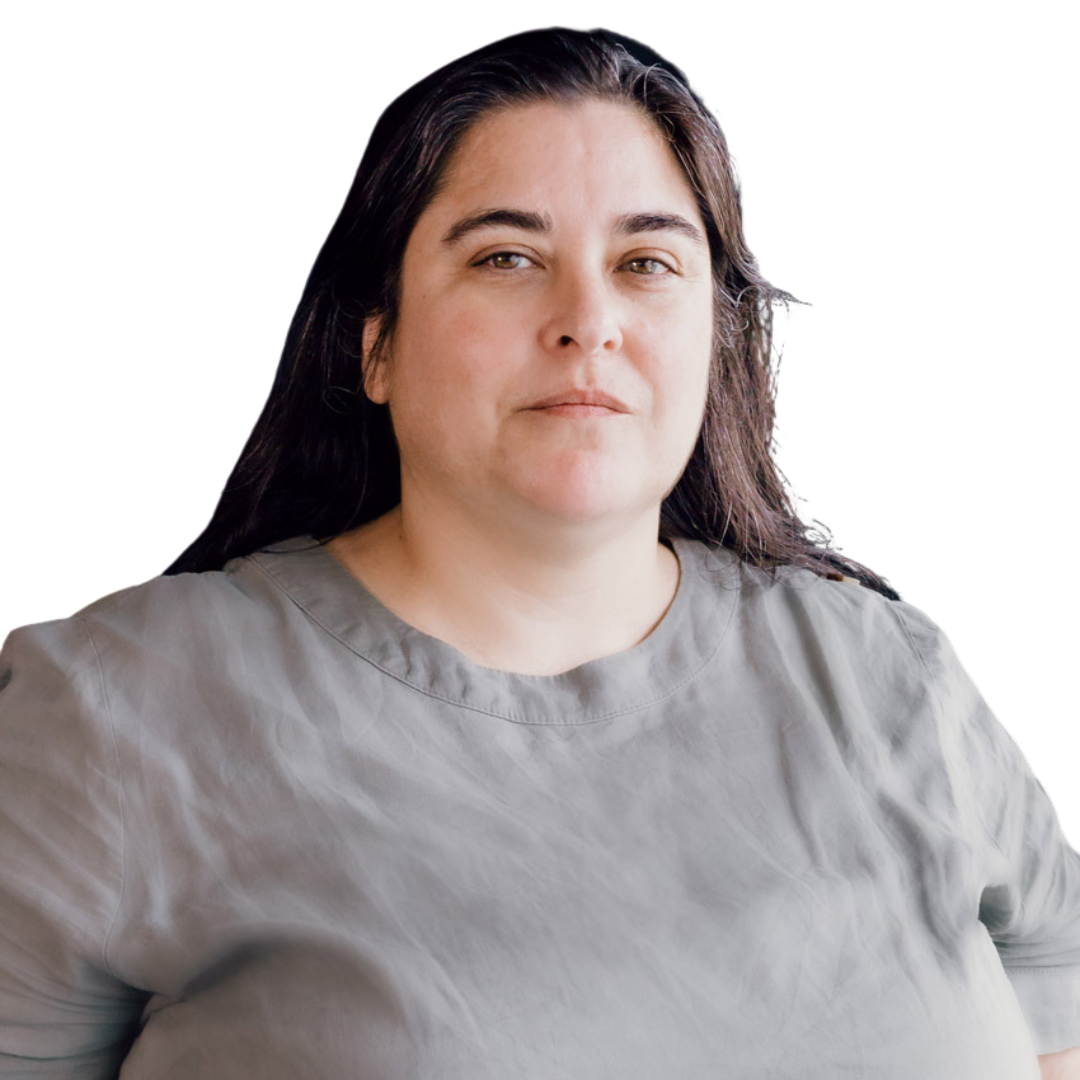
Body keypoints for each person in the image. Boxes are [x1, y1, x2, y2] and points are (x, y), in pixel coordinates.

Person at [1, 25, 1077, 1079]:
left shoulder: (895, 680)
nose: (587, 318)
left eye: (647, 261)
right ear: (376, 342)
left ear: (718, 336)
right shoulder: (108, 715)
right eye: (507, 257)